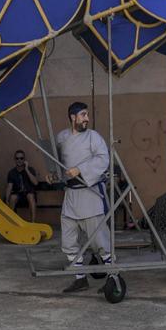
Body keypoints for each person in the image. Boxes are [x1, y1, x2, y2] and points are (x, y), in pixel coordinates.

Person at [54, 102, 114, 293]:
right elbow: (58, 163)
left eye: (87, 114)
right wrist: (53, 174)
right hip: (70, 196)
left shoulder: (93, 137)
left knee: (99, 241)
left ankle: (113, 277)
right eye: (83, 115)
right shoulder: (62, 137)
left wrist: (80, 169)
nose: (87, 118)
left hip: (90, 194)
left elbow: (103, 159)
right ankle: (80, 278)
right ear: (73, 117)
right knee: (68, 240)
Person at [4, 148, 42, 220]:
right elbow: (9, 186)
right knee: (12, 197)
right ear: (14, 159)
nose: (19, 160)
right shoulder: (12, 172)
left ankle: (32, 223)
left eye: (21, 158)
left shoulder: (30, 169)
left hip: (29, 193)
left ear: (24, 159)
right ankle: (11, 221)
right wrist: (7, 199)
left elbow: (35, 183)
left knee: (30, 196)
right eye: (17, 158)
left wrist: (26, 169)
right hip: (18, 194)